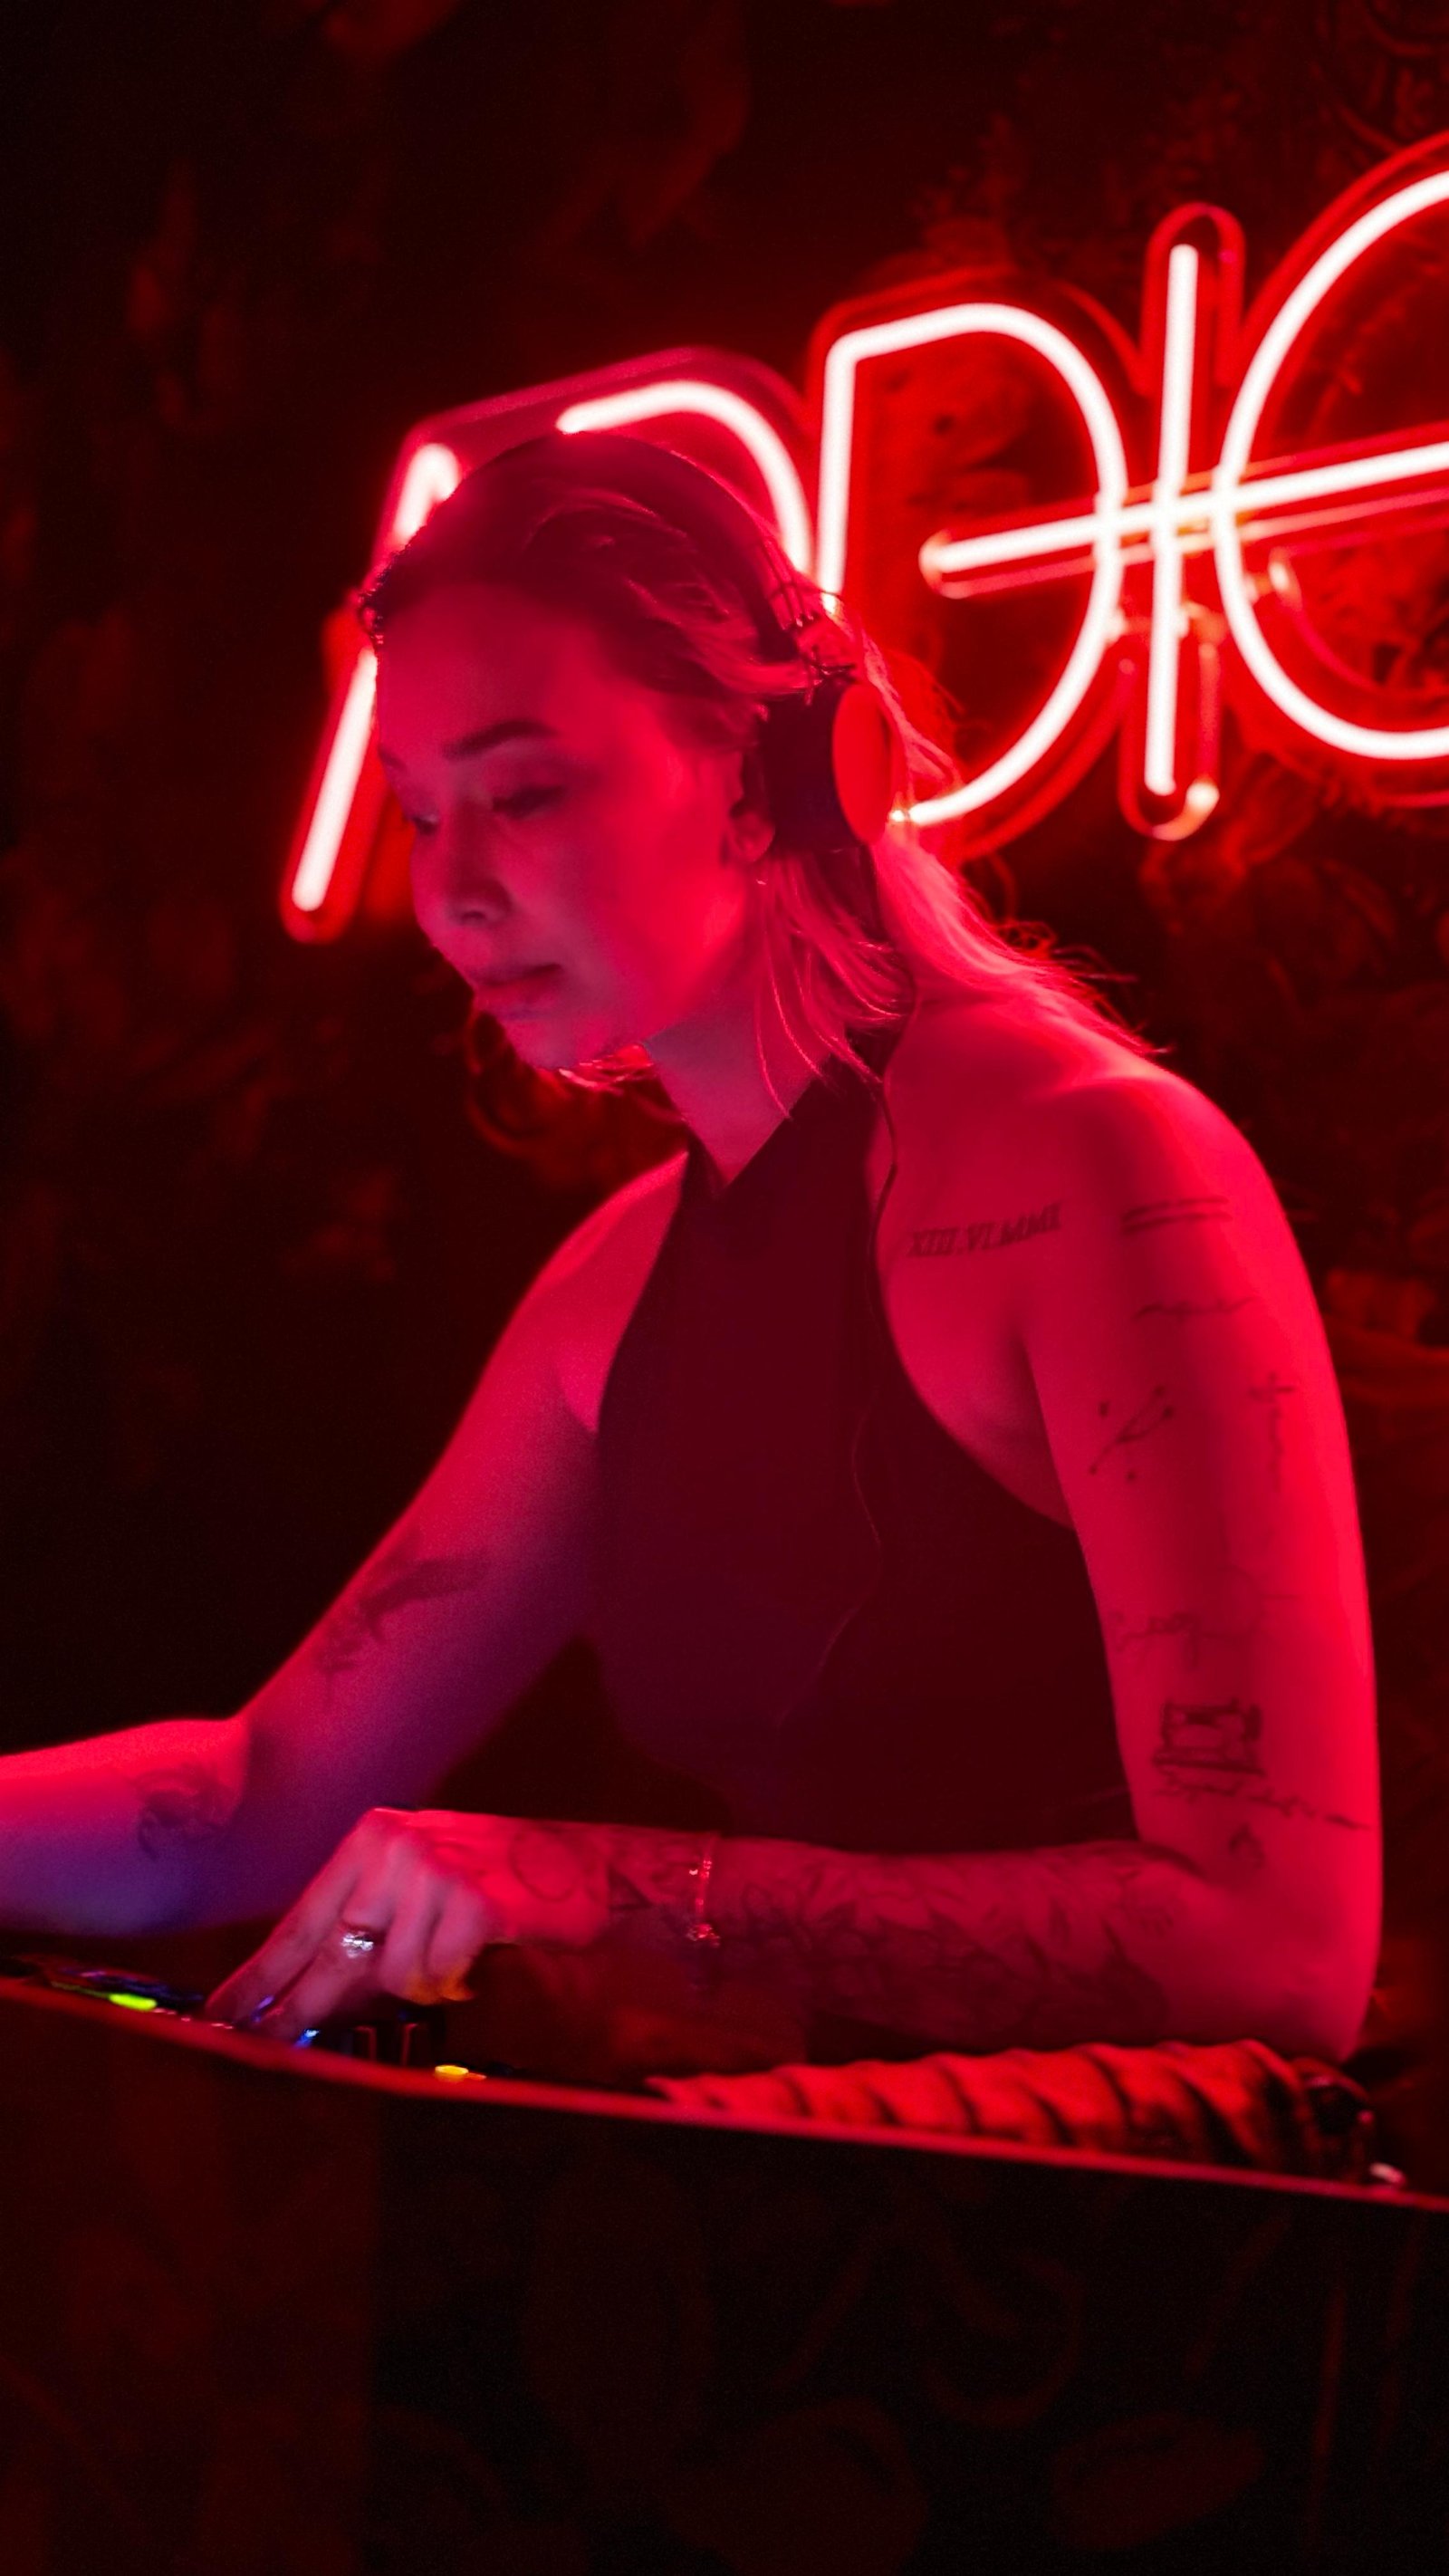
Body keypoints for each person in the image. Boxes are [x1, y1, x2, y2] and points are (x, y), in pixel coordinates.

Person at [0, 432, 1379, 2073]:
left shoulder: (1101, 1169)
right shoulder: (608, 1293)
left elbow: (1283, 1953)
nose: (450, 892)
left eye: (524, 794)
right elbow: (256, 1801)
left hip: (1110, 2210)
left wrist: (618, 1891)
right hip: (775, 2183)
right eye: (419, 813)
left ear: (768, 777)